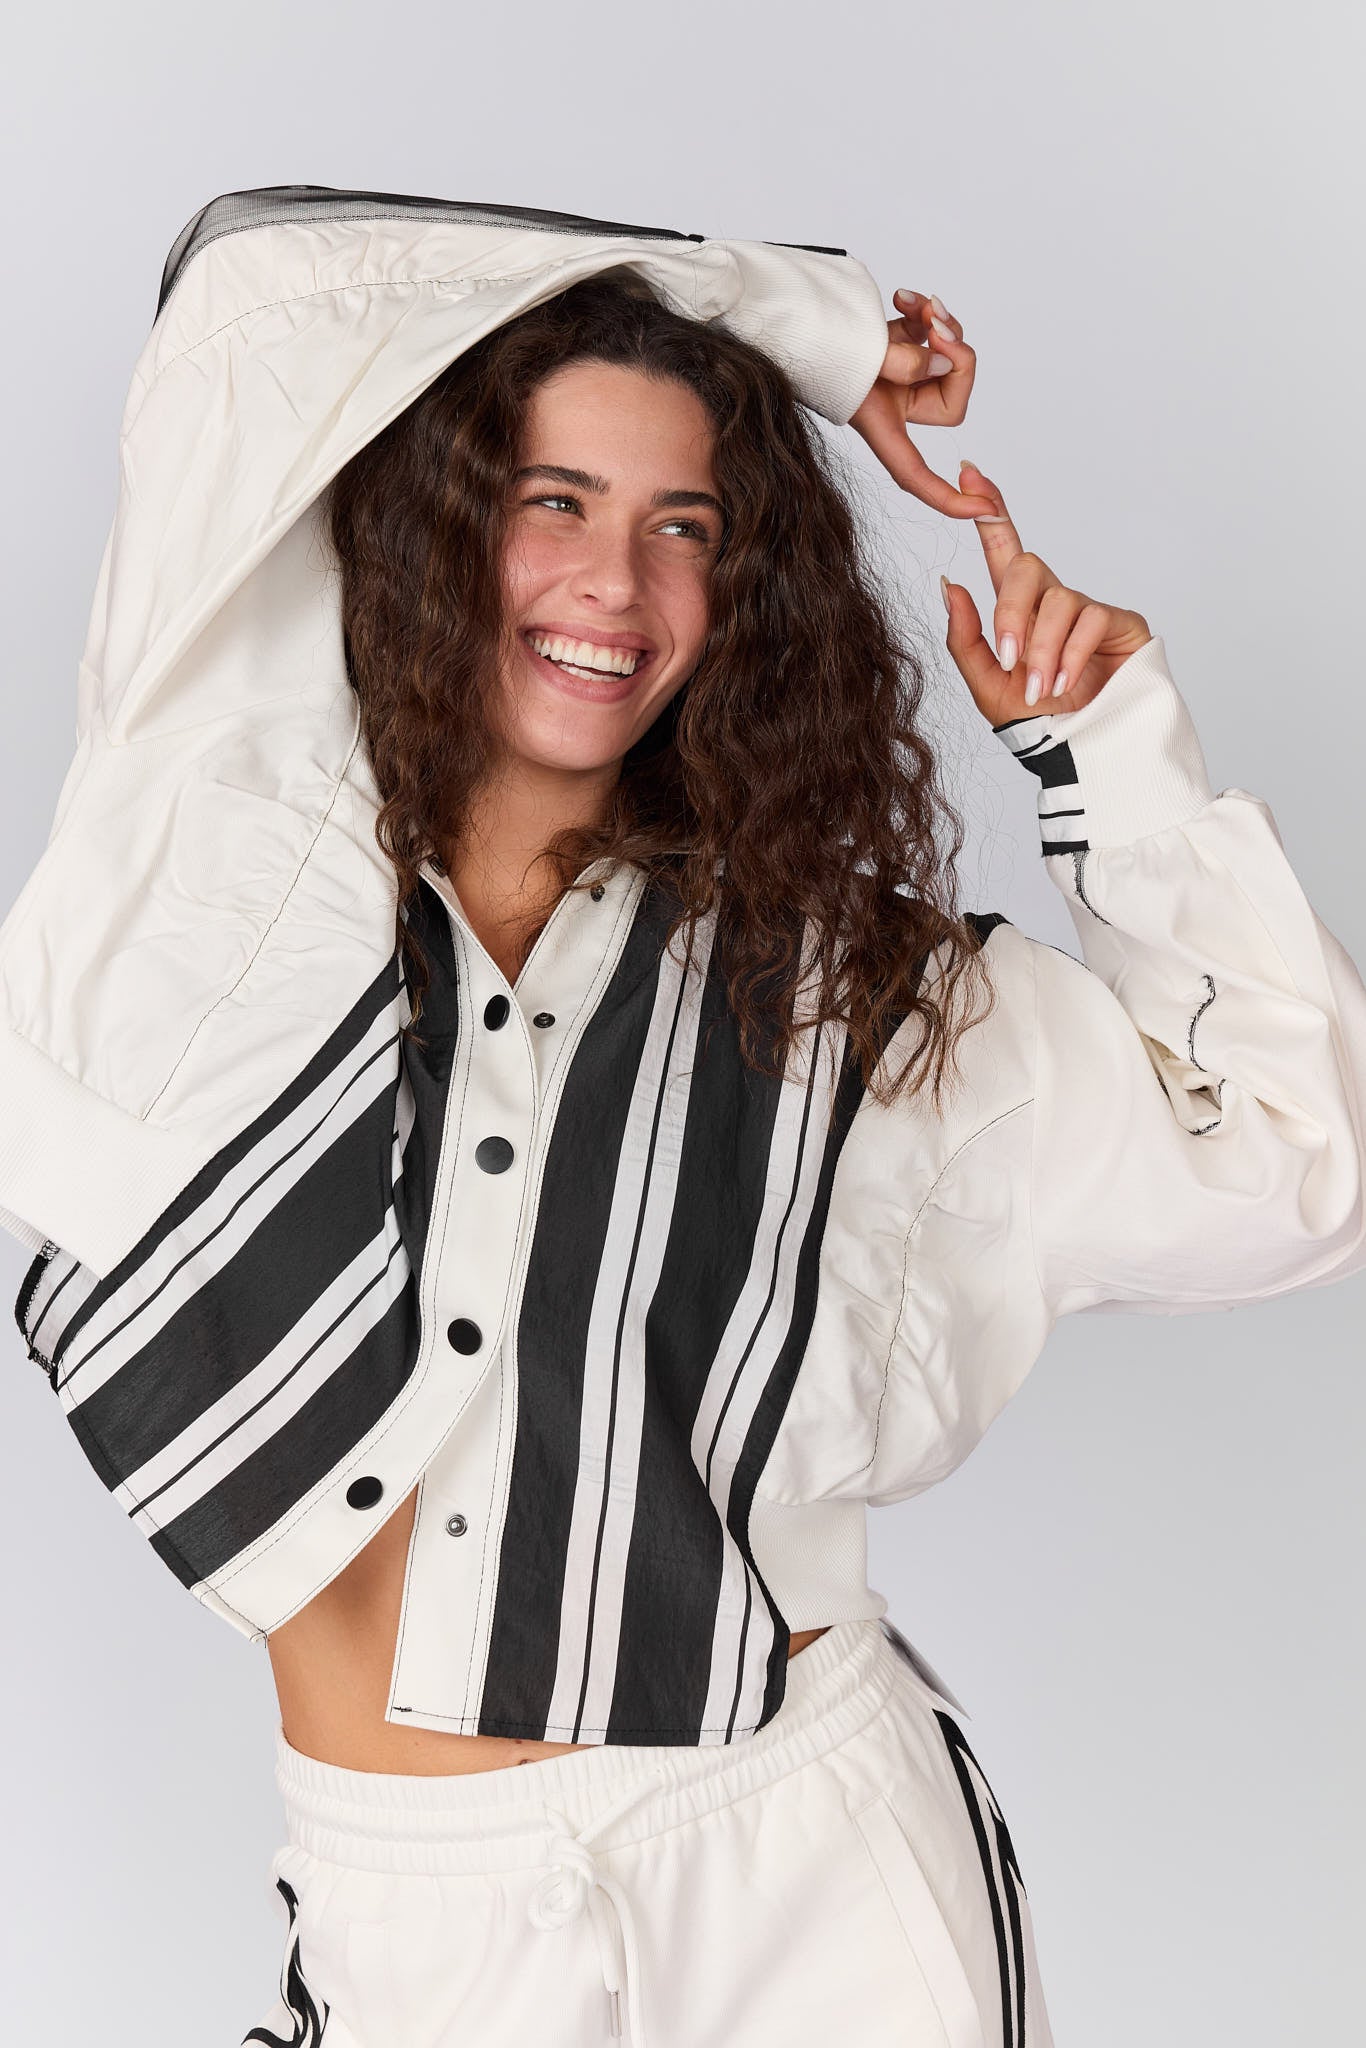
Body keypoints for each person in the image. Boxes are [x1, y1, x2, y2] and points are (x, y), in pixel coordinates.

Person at [8, 189, 1366, 2048]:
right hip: (416, 1899)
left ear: (740, 599)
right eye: (551, 501)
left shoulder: (844, 986)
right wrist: (807, 334)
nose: (615, 583)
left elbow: (1292, 1171)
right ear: (427, 527)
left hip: (805, 1854)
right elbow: (256, 278)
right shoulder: (219, 890)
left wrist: (1111, 758)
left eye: (685, 529)